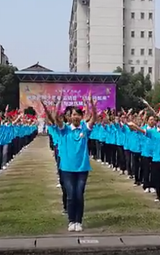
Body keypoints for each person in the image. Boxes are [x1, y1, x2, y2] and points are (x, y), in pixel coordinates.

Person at [41, 93, 97, 232]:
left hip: (82, 168)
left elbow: (94, 118)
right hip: (66, 168)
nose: (76, 117)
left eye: (78, 114)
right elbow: (56, 118)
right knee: (71, 195)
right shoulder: (64, 129)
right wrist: (58, 102)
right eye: (73, 114)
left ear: (81, 117)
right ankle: (71, 221)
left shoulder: (85, 128)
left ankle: (79, 221)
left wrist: (91, 103)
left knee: (79, 194)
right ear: (70, 117)